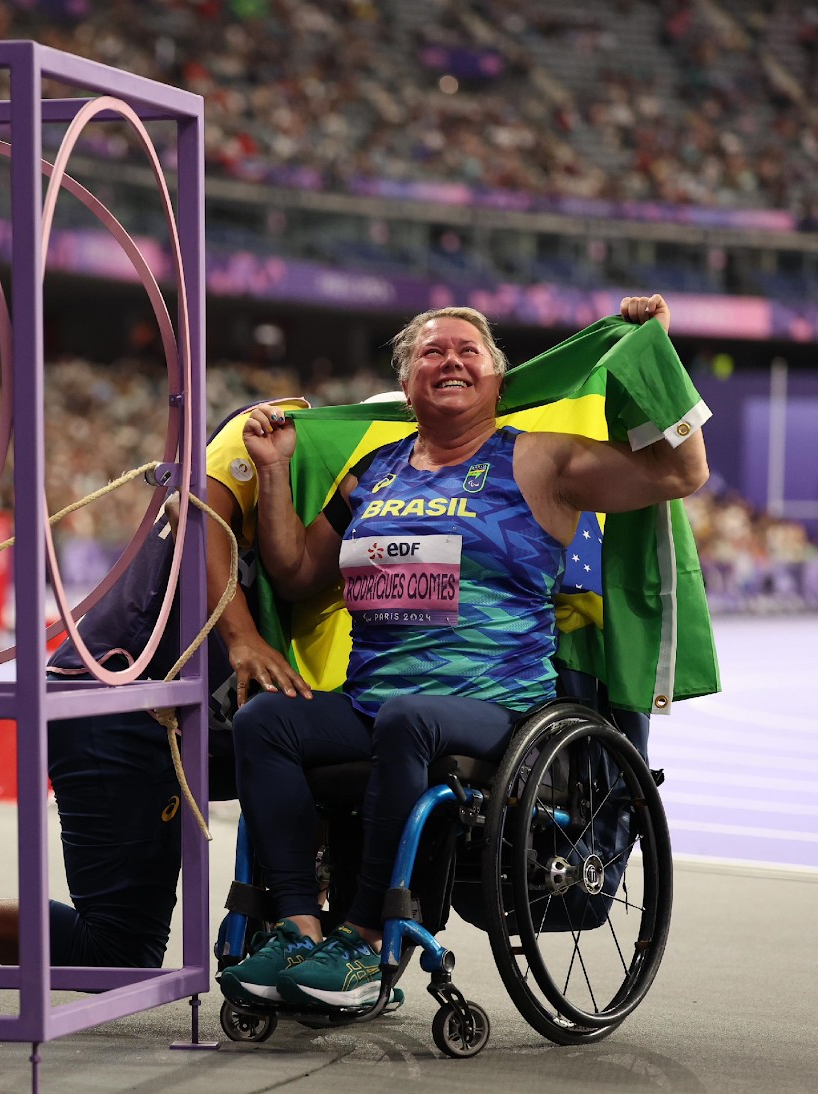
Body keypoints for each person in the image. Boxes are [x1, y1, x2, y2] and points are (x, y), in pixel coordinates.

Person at [216, 295, 708, 1011]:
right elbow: (295, 572)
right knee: (264, 724)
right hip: (374, 701)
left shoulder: (539, 459)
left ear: (497, 380)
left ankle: (360, 941)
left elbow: (678, 472)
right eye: (430, 352)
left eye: (466, 350)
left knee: (408, 719)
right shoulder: (376, 472)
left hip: (498, 707)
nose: (448, 360)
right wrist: (270, 471)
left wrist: (653, 357)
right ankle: (297, 928)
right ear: (408, 381)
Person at [0, 399, 317, 1013]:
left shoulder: (290, 468)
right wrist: (242, 637)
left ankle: (302, 941)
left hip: (160, 706)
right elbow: (200, 511)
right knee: (117, 956)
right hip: (118, 706)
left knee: (308, 762)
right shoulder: (266, 450)